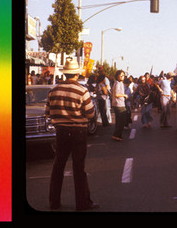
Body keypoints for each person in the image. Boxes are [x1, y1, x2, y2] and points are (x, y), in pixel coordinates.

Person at [45, 57, 98, 211]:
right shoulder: (82, 91)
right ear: (76, 74)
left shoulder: (53, 91)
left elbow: (48, 113)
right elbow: (90, 114)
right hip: (78, 132)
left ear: (65, 74)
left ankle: (54, 202)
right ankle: (82, 203)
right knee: (78, 168)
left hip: (60, 132)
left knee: (58, 166)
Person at [111, 70, 128, 141]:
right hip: (119, 104)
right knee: (121, 121)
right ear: (117, 76)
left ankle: (117, 134)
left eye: (123, 75)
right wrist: (124, 95)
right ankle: (117, 135)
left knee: (119, 121)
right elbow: (116, 94)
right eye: (121, 75)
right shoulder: (118, 83)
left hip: (119, 103)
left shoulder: (119, 83)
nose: (122, 77)